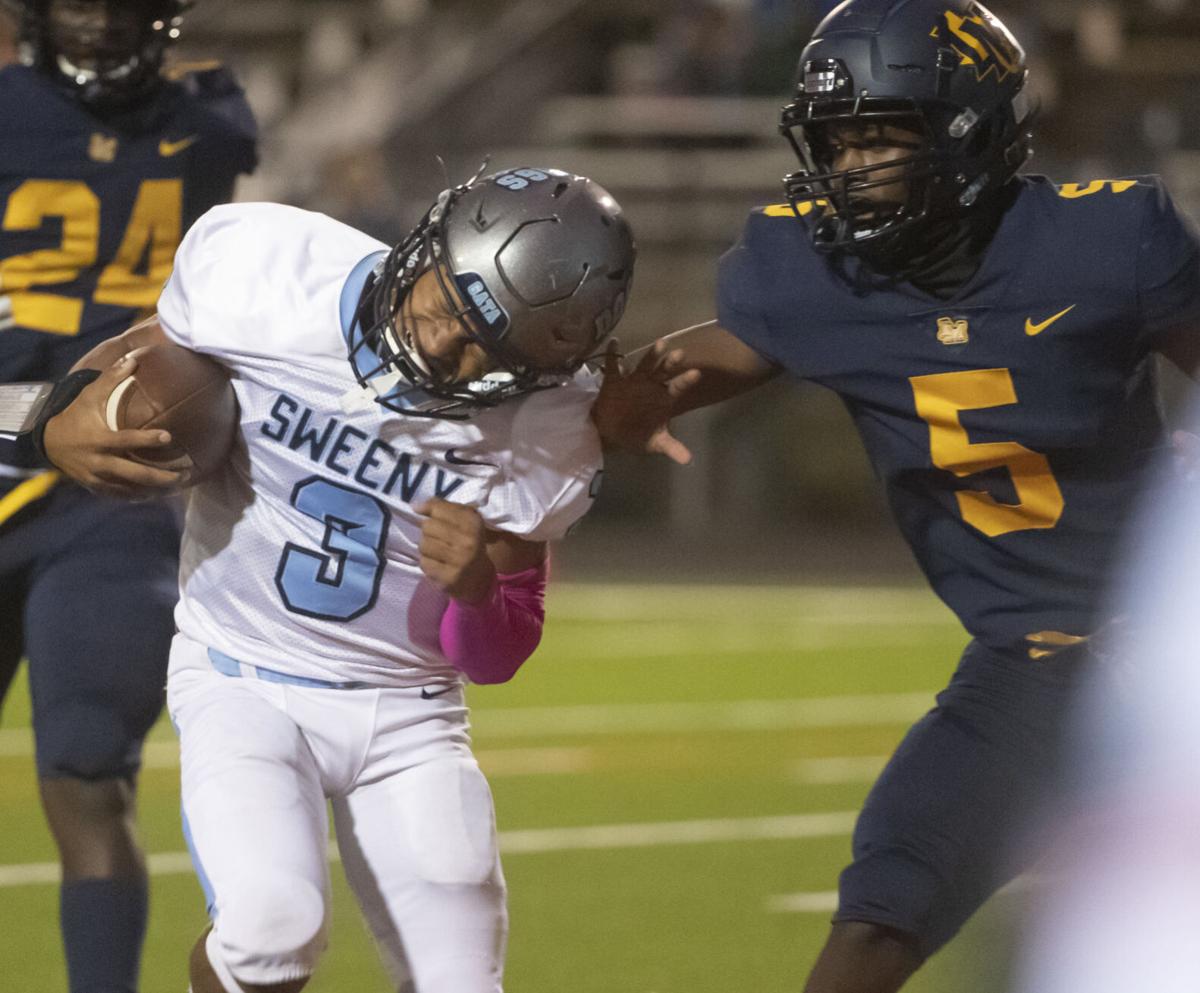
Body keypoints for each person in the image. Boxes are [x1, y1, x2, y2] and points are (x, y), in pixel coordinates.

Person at [592, 1, 1200, 991]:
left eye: (883, 134)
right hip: (1031, 667)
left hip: (1175, 654)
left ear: (972, 128)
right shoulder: (809, 272)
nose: (852, 165)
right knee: (884, 908)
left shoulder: (1106, 236)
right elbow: (700, 364)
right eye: (839, 140)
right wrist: (614, 411)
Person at [38, 166, 634, 993]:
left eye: (485, 353)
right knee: (269, 931)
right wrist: (68, 410)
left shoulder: (548, 431)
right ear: (423, 244)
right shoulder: (266, 269)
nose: (441, 349)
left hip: (409, 712)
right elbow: (152, 353)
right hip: (245, 671)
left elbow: (495, 655)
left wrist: (472, 587)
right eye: (446, 308)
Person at [0, 2, 256, 991]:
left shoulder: (211, 125)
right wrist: (39, 413)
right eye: (78, 4)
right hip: (27, 438)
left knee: (87, 777)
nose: (100, 27)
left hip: (115, 498)